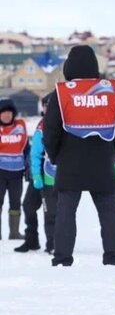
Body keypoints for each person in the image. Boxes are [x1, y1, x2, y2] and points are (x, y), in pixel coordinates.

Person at [42, 46, 115, 266]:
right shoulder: (112, 91)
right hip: (102, 160)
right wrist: (112, 153)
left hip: (70, 161)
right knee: (109, 210)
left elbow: (50, 131)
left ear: (68, 67)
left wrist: (56, 157)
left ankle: (63, 257)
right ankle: (113, 256)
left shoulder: (62, 92)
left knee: (65, 211)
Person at [15, 94, 57, 254]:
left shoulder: (63, 124)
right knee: (28, 206)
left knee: (50, 212)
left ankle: (53, 243)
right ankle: (32, 240)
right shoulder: (41, 125)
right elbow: (35, 153)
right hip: (38, 175)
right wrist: (35, 174)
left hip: (51, 177)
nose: (47, 108)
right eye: (45, 105)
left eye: (50, 105)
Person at [0, 98, 28, 241]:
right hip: (0, 172)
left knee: (15, 202)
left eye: (9, 112)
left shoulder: (20, 127)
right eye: (3, 113)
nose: (6, 115)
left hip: (17, 173)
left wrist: (28, 165)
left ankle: (14, 233)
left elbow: (26, 149)